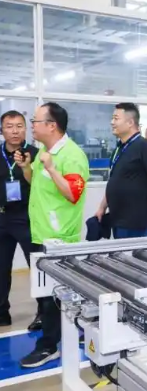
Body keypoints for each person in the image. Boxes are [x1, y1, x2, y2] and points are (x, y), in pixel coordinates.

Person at [15, 102, 89, 368]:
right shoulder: (44, 153)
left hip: (58, 238)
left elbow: (73, 194)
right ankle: (65, 333)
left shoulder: (72, 155)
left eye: (35, 121)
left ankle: (48, 346)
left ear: (52, 126)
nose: (32, 126)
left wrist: (52, 169)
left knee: (52, 297)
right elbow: (36, 183)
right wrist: (27, 168)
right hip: (40, 232)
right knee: (45, 294)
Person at [95, 103, 147, 239]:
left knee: (137, 253)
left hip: (136, 222)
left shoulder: (145, 146)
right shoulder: (119, 149)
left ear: (130, 123)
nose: (112, 122)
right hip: (117, 219)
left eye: (116, 118)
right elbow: (114, 181)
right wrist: (102, 207)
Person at [0, 111, 39, 329]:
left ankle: (44, 313)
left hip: (27, 217)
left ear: (25, 129)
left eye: (19, 126)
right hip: (2, 217)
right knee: (1, 268)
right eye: (9, 126)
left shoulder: (35, 153)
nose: (15, 131)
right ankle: (1, 313)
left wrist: (27, 167)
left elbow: (40, 186)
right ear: (2, 130)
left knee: (36, 266)